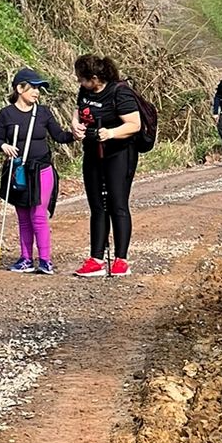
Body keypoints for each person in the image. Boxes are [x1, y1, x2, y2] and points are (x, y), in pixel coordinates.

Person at [0, 68, 76, 274]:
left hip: (42, 169)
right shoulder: (6, 114)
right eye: (34, 88)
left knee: (38, 214)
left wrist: (76, 133)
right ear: (19, 88)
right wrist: (4, 147)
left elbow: (59, 136)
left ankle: (45, 260)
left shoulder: (44, 113)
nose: (37, 92)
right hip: (18, 170)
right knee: (22, 216)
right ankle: (26, 259)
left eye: (39, 88)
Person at [71, 54, 143, 278]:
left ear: (94, 77)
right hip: (92, 152)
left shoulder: (119, 92)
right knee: (97, 206)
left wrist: (111, 133)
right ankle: (96, 259)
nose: (80, 83)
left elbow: (134, 124)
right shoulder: (85, 91)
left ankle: (121, 260)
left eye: (82, 79)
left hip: (119, 154)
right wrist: (75, 126)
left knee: (117, 205)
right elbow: (78, 112)